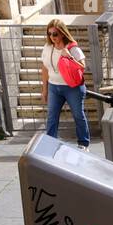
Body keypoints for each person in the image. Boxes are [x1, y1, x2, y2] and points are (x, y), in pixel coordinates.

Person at [41, 19, 90, 151]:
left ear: (62, 33)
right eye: (49, 34)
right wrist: (44, 89)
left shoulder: (73, 48)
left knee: (78, 115)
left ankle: (83, 144)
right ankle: (50, 143)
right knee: (52, 116)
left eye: (55, 34)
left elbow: (83, 67)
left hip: (72, 88)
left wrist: (69, 57)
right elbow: (45, 68)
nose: (52, 37)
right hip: (53, 86)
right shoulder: (47, 47)